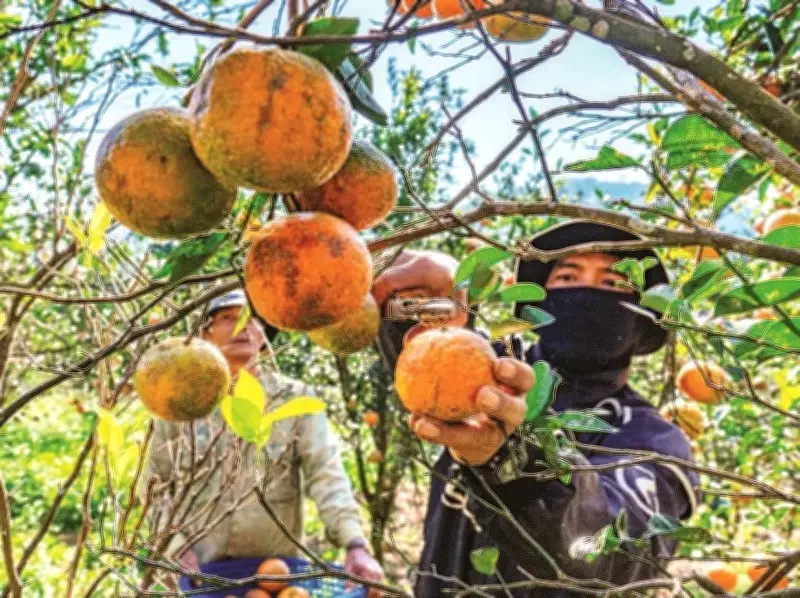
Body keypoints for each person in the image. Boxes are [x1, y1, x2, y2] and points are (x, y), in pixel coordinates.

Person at [371, 221, 700, 597]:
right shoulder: (486, 372)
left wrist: (519, 463)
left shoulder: (656, 442)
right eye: (568, 276)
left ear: (643, 316)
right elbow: (422, 360)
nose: (588, 294)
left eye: (613, 283)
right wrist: (415, 304)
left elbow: (614, 552)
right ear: (538, 300)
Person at [138, 290, 384, 593]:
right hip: (198, 575)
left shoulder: (295, 401)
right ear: (204, 336)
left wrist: (355, 543)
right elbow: (154, 485)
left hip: (278, 577)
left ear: (264, 336)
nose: (242, 325)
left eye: (251, 318)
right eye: (228, 318)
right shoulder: (180, 404)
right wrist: (173, 546)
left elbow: (326, 473)